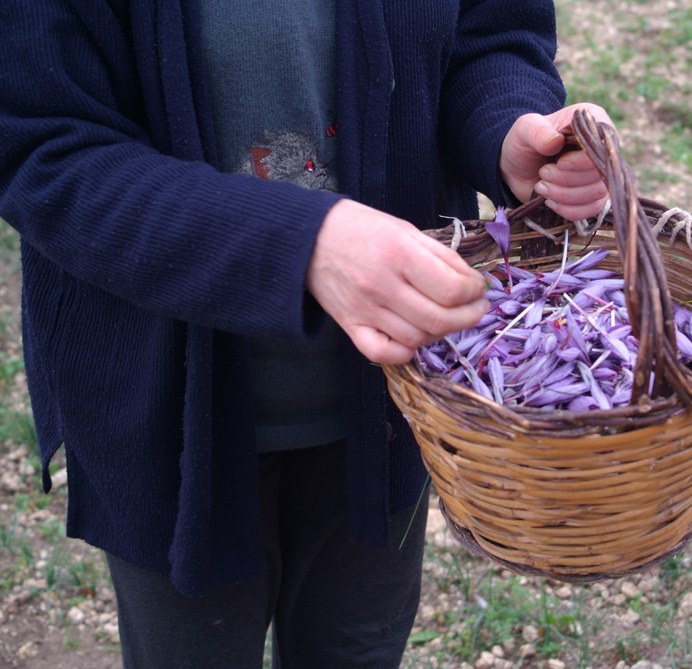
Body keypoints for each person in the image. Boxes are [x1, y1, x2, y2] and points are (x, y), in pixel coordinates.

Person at [0, 1, 613, 667]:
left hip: (393, 401)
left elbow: (490, 38)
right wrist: (300, 245)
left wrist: (507, 127)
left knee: (360, 645)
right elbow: (46, 147)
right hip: (165, 419)